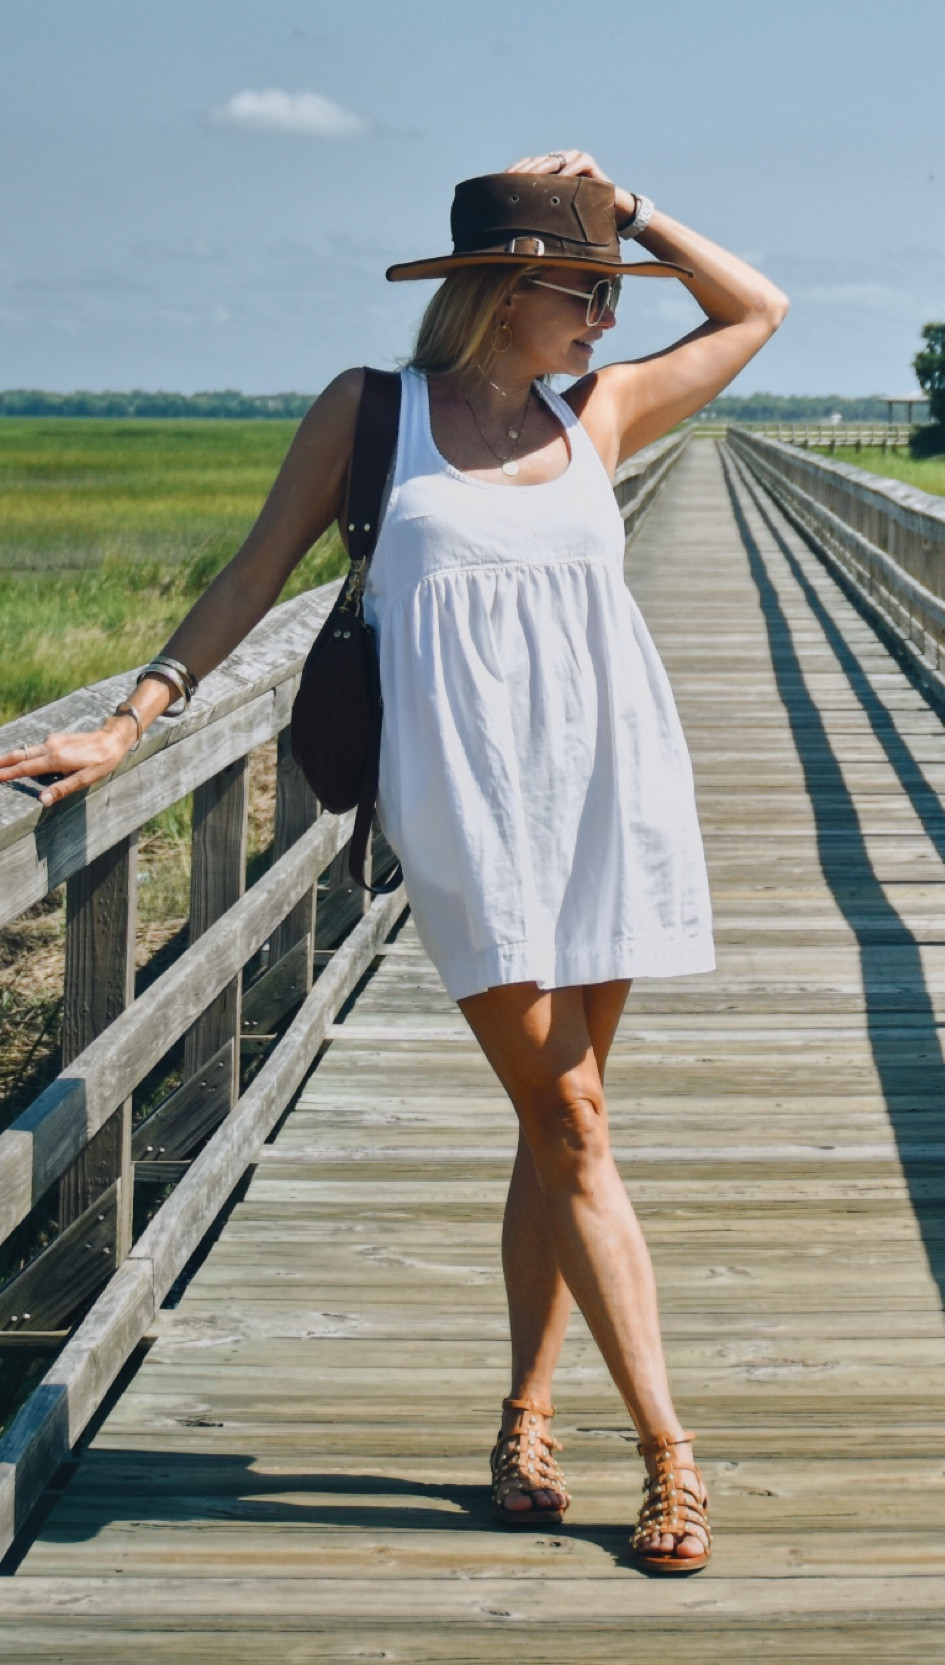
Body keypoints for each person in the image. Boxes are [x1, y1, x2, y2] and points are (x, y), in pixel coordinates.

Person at [0, 150, 788, 1573]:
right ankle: (672, 1454)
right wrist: (130, 718)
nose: (607, 319)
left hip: (609, 790)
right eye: (584, 291)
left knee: (561, 1125)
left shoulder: (594, 410)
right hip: (467, 809)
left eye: (612, 293)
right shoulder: (373, 416)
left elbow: (755, 313)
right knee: (576, 1124)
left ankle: (526, 1413)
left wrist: (638, 208)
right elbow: (254, 574)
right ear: (500, 289)